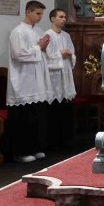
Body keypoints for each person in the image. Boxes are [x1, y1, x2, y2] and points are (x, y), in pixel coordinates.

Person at [6, 0, 52, 163]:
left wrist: (43, 48)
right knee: (23, 118)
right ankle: (21, 152)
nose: (40, 17)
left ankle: (34, 147)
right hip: (23, 80)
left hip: (36, 80)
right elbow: (18, 54)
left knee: (35, 117)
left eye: (41, 14)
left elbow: (42, 52)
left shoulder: (38, 30)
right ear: (28, 12)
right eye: (38, 13)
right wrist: (39, 47)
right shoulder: (18, 32)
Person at [44, 8, 77, 149]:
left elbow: (72, 54)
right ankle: (52, 141)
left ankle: (66, 140)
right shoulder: (47, 35)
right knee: (54, 109)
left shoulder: (66, 36)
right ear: (53, 19)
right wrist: (60, 55)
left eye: (64, 17)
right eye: (61, 17)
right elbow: (45, 58)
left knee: (65, 107)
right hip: (54, 77)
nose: (64, 19)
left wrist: (69, 55)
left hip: (66, 74)